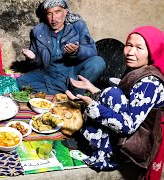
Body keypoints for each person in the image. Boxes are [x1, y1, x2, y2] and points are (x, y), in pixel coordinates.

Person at [66, 26, 164, 179]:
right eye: (129, 45)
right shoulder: (139, 70)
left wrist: (92, 105)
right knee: (112, 92)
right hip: (129, 129)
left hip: (137, 141)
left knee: (112, 93)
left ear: (152, 52)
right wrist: (91, 88)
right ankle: (93, 141)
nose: (131, 52)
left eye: (139, 48)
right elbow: (124, 102)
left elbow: (128, 125)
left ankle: (106, 156)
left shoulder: (149, 83)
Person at [16, 0, 105, 95]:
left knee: (98, 62)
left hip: (73, 73)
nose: (53, 18)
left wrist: (77, 51)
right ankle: (67, 92)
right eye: (49, 14)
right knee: (20, 82)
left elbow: (92, 51)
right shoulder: (38, 31)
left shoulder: (78, 26)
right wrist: (33, 58)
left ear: (65, 12)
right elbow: (36, 65)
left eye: (57, 12)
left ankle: (74, 90)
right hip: (49, 75)